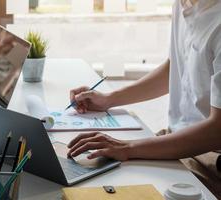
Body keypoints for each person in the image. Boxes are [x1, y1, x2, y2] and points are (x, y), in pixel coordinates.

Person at [67, 0, 221, 197]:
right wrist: (109, 99)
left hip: (209, 158)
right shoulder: (182, 5)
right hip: (172, 137)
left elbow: (217, 129)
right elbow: (176, 67)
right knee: (94, 176)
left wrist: (128, 147)